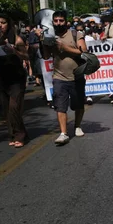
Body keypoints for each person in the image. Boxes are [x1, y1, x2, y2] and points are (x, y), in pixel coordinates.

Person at [36, 10, 87, 146]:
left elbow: (83, 52)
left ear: (67, 22)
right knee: (60, 106)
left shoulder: (76, 34)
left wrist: (64, 47)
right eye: (56, 21)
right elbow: (46, 56)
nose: (58, 23)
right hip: (59, 77)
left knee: (78, 105)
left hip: (76, 76)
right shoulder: (50, 36)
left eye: (61, 21)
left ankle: (77, 126)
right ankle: (63, 133)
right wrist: (42, 40)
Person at [0, 14, 29, 147]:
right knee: (6, 109)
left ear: (8, 24)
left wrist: (15, 51)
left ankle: (20, 136)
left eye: (3, 22)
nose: (0, 25)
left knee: (14, 107)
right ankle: (14, 134)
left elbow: (26, 56)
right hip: (1, 77)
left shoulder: (16, 38)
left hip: (16, 76)